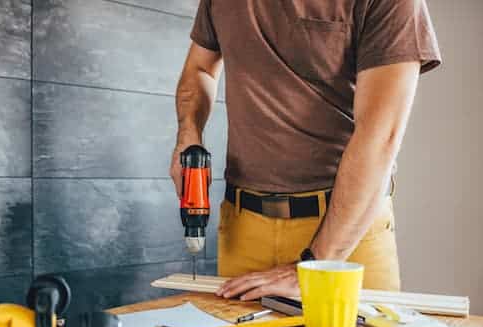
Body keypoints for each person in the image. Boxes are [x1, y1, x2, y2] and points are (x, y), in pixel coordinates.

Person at [170, 0, 441, 300]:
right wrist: (189, 134)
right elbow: (200, 68)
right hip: (244, 227)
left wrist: (318, 262)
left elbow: (380, 138)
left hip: (345, 236)